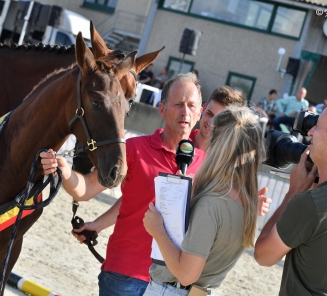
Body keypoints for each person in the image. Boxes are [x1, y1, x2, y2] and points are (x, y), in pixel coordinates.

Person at [41, 76, 270, 295]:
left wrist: (246, 204)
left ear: (198, 113)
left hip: (172, 283)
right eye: (178, 104)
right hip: (125, 276)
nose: (185, 112)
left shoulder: (210, 166)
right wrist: (65, 170)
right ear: (161, 109)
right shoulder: (134, 148)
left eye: (191, 106)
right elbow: (88, 189)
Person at [143, 105, 265, 295]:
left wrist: (158, 231)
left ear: (219, 145)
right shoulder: (247, 203)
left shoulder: (211, 204)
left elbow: (186, 274)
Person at [254, 110, 327, 295]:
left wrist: (294, 192)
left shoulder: (311, 205)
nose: (309, 132)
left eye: (317, 126)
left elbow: (263, 256)